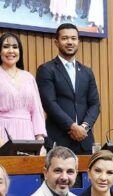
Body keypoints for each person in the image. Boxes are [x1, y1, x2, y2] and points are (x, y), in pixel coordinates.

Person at [36, 23, 100, 155]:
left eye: (73, 38)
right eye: (65, 38)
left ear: (78, 41)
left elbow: (95, 104)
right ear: (56, 42)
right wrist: (72, 126)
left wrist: (84, 127)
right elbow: (49, 104)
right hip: (58, 140)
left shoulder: (87, 72)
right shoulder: (46, 70)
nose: (70, 42)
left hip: (85, 140)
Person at [0, 32, 47, 155]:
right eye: (6, 47)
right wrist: (0, 144)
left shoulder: (29, 77)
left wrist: (40, 142)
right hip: (3, 136)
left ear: (20, 52)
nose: (11, 51)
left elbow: (36, 112)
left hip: (28, 136)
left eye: (15, 47)